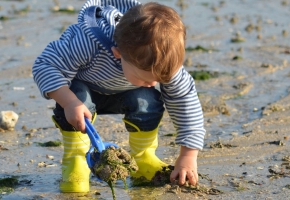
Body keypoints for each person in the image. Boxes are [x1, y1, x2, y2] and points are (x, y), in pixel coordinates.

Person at [32, 0, 206, 193]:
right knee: (77, 95)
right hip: (82, 96)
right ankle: (76, 162)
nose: (154, 84)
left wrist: (188, 155)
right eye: (145, 78)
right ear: (118, 54)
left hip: (126, 94)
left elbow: (186, 103)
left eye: (158, 79)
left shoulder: (164, 63)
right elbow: (45, 66)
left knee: (147, 98)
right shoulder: (86, 41)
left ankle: (143, 157)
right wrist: (68, 101)